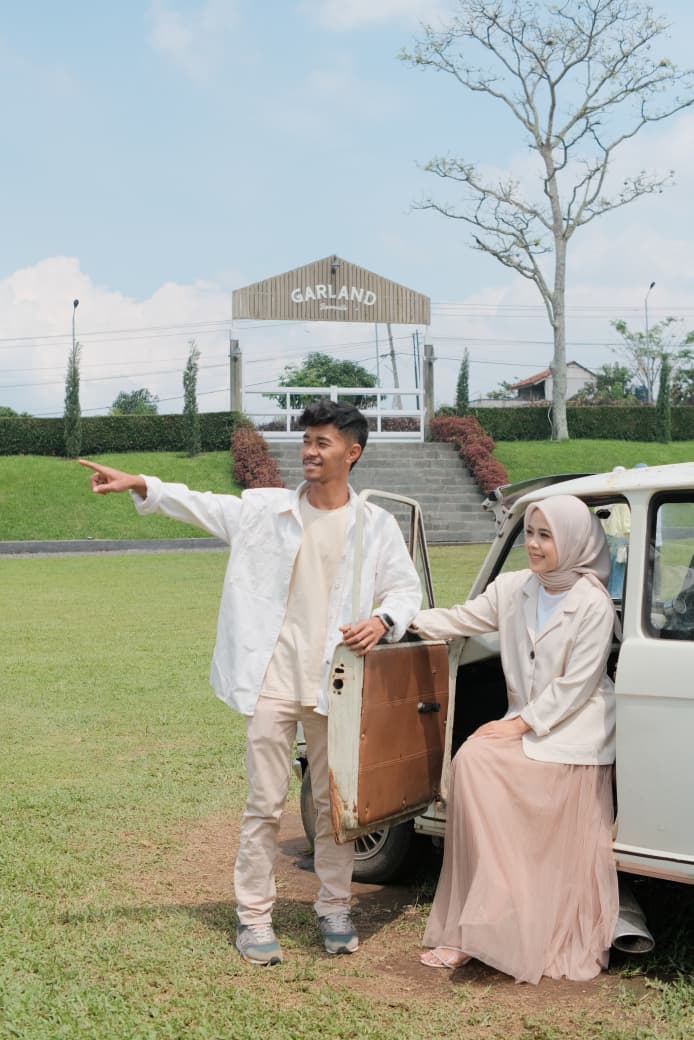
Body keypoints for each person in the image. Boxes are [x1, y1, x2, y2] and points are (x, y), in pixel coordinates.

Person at [79, 400, 421, 966]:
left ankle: (335, 908)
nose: (309, 451)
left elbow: (405, 590)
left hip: (336, 685)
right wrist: (142, 484)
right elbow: (204, 504)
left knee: (335, 806)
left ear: (352, 452)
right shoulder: (265, 509)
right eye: (306, 440)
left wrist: (383, 620)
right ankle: (254, 917)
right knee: (264, 803)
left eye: (323, 442)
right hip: (271, 681)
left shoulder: (375, 525)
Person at [411, 494, 619, 984]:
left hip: (575, 730)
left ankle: (503, 916)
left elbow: (576, 686)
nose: (534, 544)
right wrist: (396, 621)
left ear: (574, 542)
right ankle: (481, 920)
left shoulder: (593, 603)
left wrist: (518, 724)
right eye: (529, 533)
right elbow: (460, 619)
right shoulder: (513, 588)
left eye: (546, 536)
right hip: (527, 723)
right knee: (471, 761)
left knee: (485, 761)